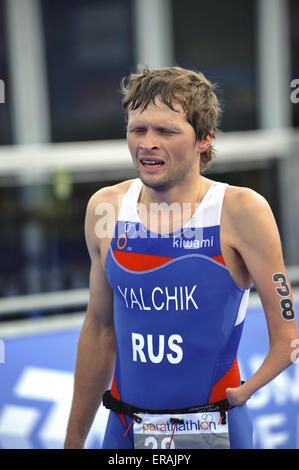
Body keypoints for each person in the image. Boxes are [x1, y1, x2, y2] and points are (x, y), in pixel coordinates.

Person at [64, 65, 299, 450]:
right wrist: (73, 441)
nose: (147, 143)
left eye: (166, 131)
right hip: (124, 429)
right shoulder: (105, 208)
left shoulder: (240, 210)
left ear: (204, 139)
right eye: (137, 129)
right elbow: (99, 329)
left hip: (212, 427)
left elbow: (288, 336)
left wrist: (244, 393)